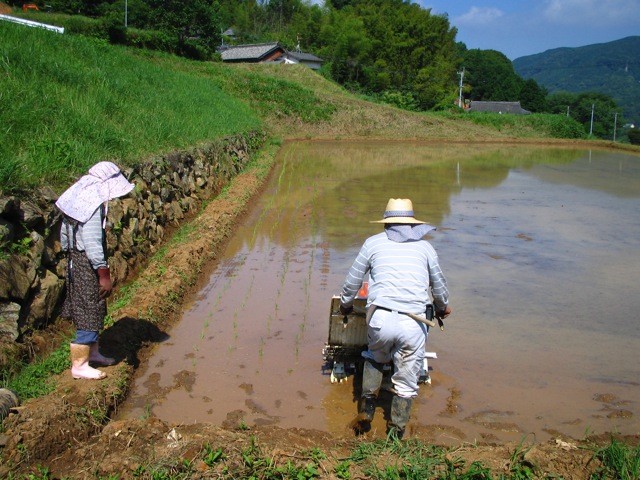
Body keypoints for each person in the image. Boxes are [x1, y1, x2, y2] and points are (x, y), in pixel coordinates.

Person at [340, 198, 451, 439]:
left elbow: (351, 282)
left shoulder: (373, 244)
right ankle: (395, 433)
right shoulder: (426, 249)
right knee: (406, 381)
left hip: (380, 320)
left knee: (375, 357)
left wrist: (345, 306)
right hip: (414, 322)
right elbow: (440, 288)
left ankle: (367, 412)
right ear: (411, 224)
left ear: (387, 222)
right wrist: (442, 308)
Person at [56, 162, 135, 380]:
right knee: (88, 309)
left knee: (94, 306)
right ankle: (79, 365)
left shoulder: (78, 200)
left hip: (76, 258)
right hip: (86, 263)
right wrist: (103, 273)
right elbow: (91, 242)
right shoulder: (92, 206)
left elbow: (64, 236)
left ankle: (94, 353)